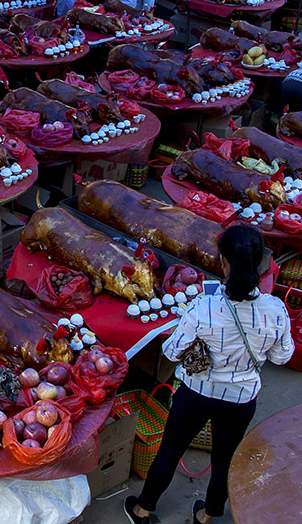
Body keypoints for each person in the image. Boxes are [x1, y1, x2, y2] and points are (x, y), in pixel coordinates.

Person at [124, 224, 293, 524]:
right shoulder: (276, 310)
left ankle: (143, 509)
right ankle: (207, 516)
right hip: (241, 399)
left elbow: (172, 352)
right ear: (259, 263)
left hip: (196, 394)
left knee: (170, 450)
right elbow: (282, 356)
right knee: (224, 460)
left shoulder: (203, 307)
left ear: (223, 262)